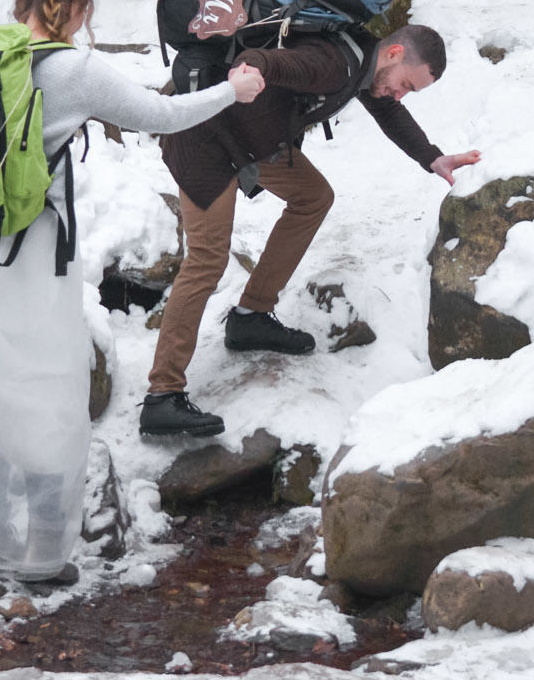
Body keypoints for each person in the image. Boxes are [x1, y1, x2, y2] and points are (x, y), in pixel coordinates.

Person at [0, 0, 263, 580]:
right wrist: (232, 91)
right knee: (45, 395)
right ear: (78, 11)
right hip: (30, 252)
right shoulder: (73, 70)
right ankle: (42, 553)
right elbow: (161, 116)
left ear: (20, 2)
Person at [140, 23, 480, 438]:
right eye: (406, 84)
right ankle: (162, 395)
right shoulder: (333, 63)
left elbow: (387, 109)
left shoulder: (362, 61)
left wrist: (432, 157)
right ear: (393, 53)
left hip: (253, 140)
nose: (400, 94)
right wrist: (247, 69)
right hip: (206, 136)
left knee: (313, 196)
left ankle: (251, 316)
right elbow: (264, 62)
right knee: (208, 259)